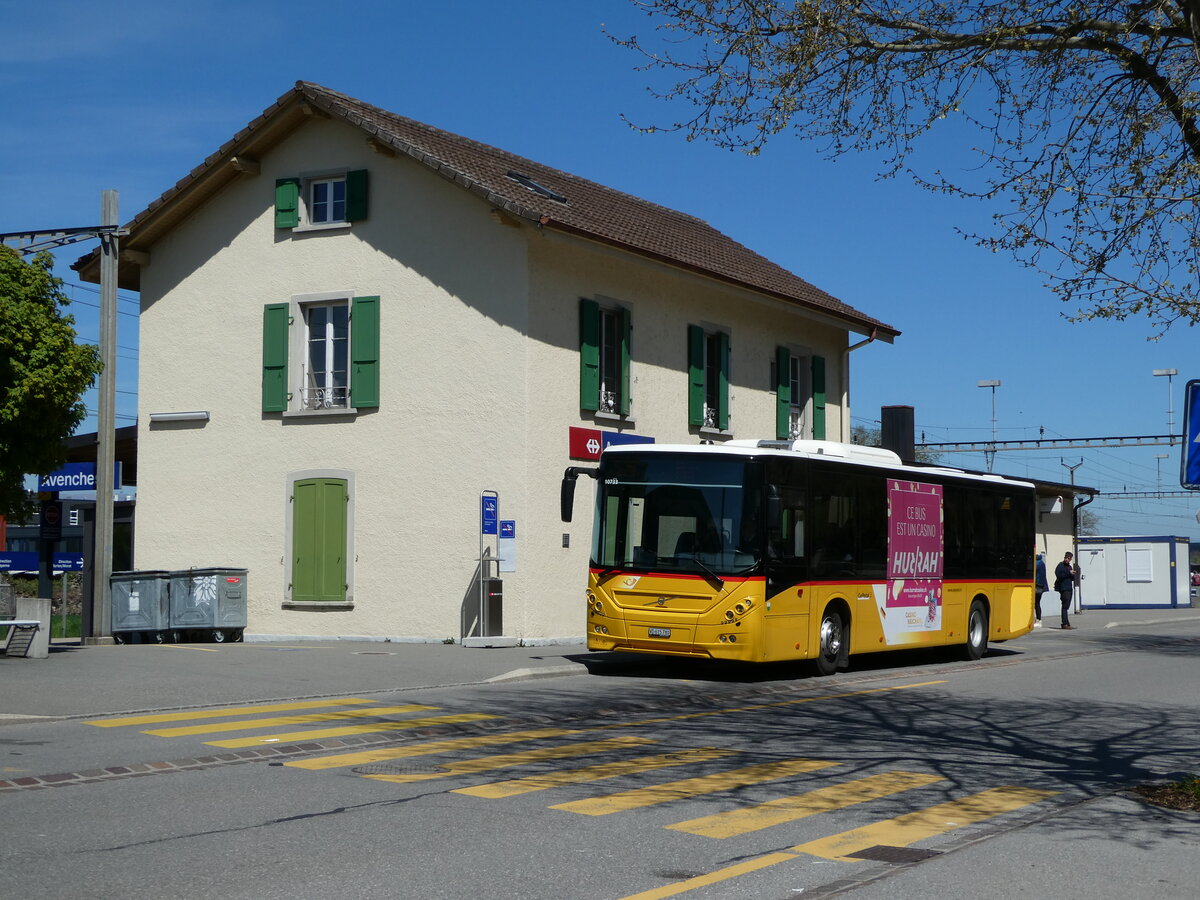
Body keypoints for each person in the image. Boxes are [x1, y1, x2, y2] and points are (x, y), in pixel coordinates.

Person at [1054, 551, 1077, 630]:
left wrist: (1072, 574)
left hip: (1069, 588)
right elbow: (1059, 575)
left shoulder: (1069, 567)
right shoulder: (1061, 566)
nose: (1067, 559)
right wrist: (1068, 573)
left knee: (1067, 606)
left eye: (1069, 558)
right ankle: (1065, 624)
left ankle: (1067, 623)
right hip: (1063, 588)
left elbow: (1072, 578)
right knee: (1064, 606)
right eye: (1066, 558)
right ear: (1064, 557)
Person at [1034, 552, 1049, 627]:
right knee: (1037, 603)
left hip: (1037, 586)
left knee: (1036, 603)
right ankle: (1038, 619)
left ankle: (1038, 620)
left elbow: (1033, 570)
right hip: (1041, 586)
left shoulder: (1037, 563)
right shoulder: (1042, 562)